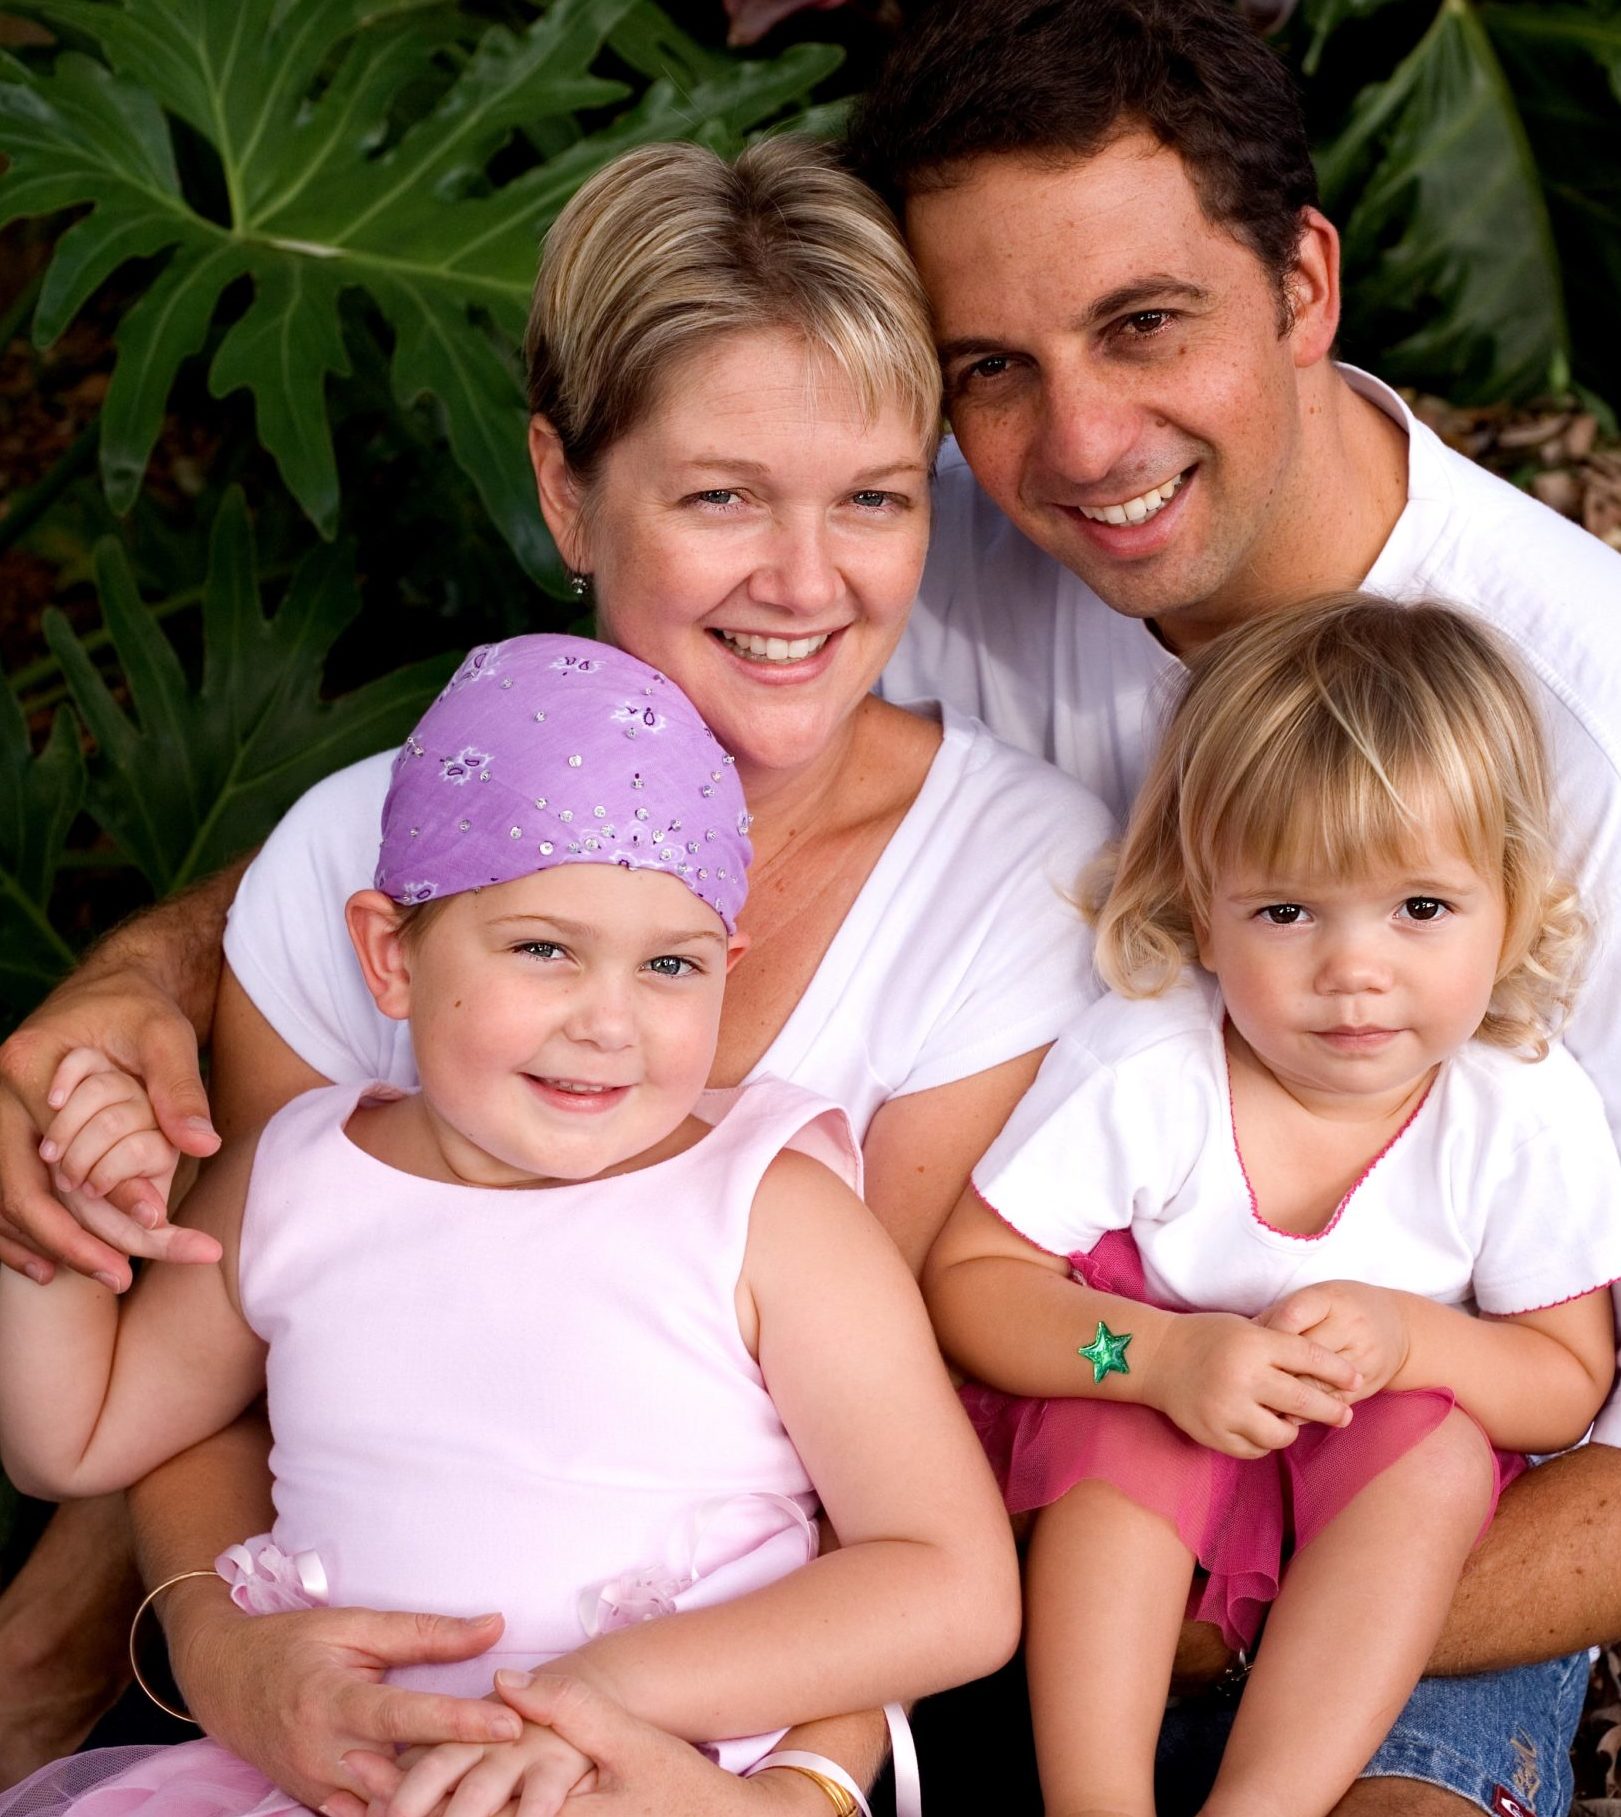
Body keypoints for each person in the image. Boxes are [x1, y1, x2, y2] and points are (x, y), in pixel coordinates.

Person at [0, 138, 1110, 1813]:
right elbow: (223, 1386)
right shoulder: (346, 856)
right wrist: (249, 1674)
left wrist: (775, 1789)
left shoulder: (1013, 886)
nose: (807, 583)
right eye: (720, 494)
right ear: (564, 485)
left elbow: (845, 1482)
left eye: (874, 498)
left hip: (709, 1748)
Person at [845, 2, 1621, 1809]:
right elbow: (594, 778)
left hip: (1439, 1564)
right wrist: (163, 978)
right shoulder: (912, 554)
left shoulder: (1585, 718)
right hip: (1058, 1477)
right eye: (991, 367)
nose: (1080, 441)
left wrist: (1248, 1597)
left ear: (1302, 284)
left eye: (1142, 324)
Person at [0, 632, 1020, 1817]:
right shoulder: (298, 1177)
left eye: (670, 966)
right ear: (391, 954)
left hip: (654, 1781)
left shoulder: (770, 1213)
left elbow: (951, 1583)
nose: (609, 1020)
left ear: (725, 965)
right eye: (545, 949)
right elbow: (72, 1440)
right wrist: (75, 1202)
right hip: (333, 1782)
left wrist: (604, 1690)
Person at [925, 597, 1621, 1817]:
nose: (1355, 968)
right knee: (1120, 1426)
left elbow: (1565, 1377)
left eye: (1420, 907)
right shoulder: (1150, 1064)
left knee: (1438, 1445)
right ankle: (1095, 1799)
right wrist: (1154, 1353)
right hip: (1155, 1441)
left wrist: (1412, 1338)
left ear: (1510, 903)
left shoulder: (1518, 1104)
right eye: (1287, 910)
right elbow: (977, 1282)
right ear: (1203, 907)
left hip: (1368, 1496)